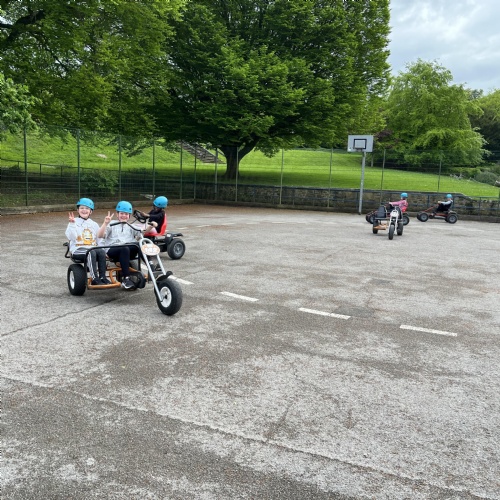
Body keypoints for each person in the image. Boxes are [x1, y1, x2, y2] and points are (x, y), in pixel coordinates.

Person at [98, 200, 154, 290]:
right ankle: (126, 279)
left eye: (126, 214)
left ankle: (151, 267)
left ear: (129, 216)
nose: (124, 216)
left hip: (127, 251)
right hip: (113, 250)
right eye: (122, 213)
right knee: (124, 248)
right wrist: (105, 223)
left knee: (140, 243)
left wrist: (151, 226)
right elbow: (100, 235)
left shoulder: (130, 226)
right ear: (117, 214)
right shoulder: (111, 224)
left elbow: (142, 232)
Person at [65, 198, 111, 285]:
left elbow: (99, 239)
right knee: (91, 252)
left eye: (87, 208)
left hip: (91, 248)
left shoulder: (94, 224)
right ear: (78, 210)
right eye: (82, 208)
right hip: (78, 249)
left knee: (101, 252)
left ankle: (102, 277)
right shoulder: (73, 221)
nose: (84, 210)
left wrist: (105, 251)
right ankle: (95, 279)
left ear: (91, 211)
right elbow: (72, 237)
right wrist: (72, 224)